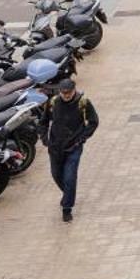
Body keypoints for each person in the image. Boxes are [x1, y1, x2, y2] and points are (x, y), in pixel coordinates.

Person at [44, 75, 100, 222]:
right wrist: (45, 140)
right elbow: (43, 123)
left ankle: (67, 208)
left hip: (74, 147)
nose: (67, 95)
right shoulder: (53, 103)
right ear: (60, 92)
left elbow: (93, 122)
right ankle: (69, 193)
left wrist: (82, 138)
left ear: (74, 90)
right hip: (55, 148)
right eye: (64, 93)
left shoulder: (83, 102)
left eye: (69, 92)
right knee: (56, 175)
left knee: (69, 177)